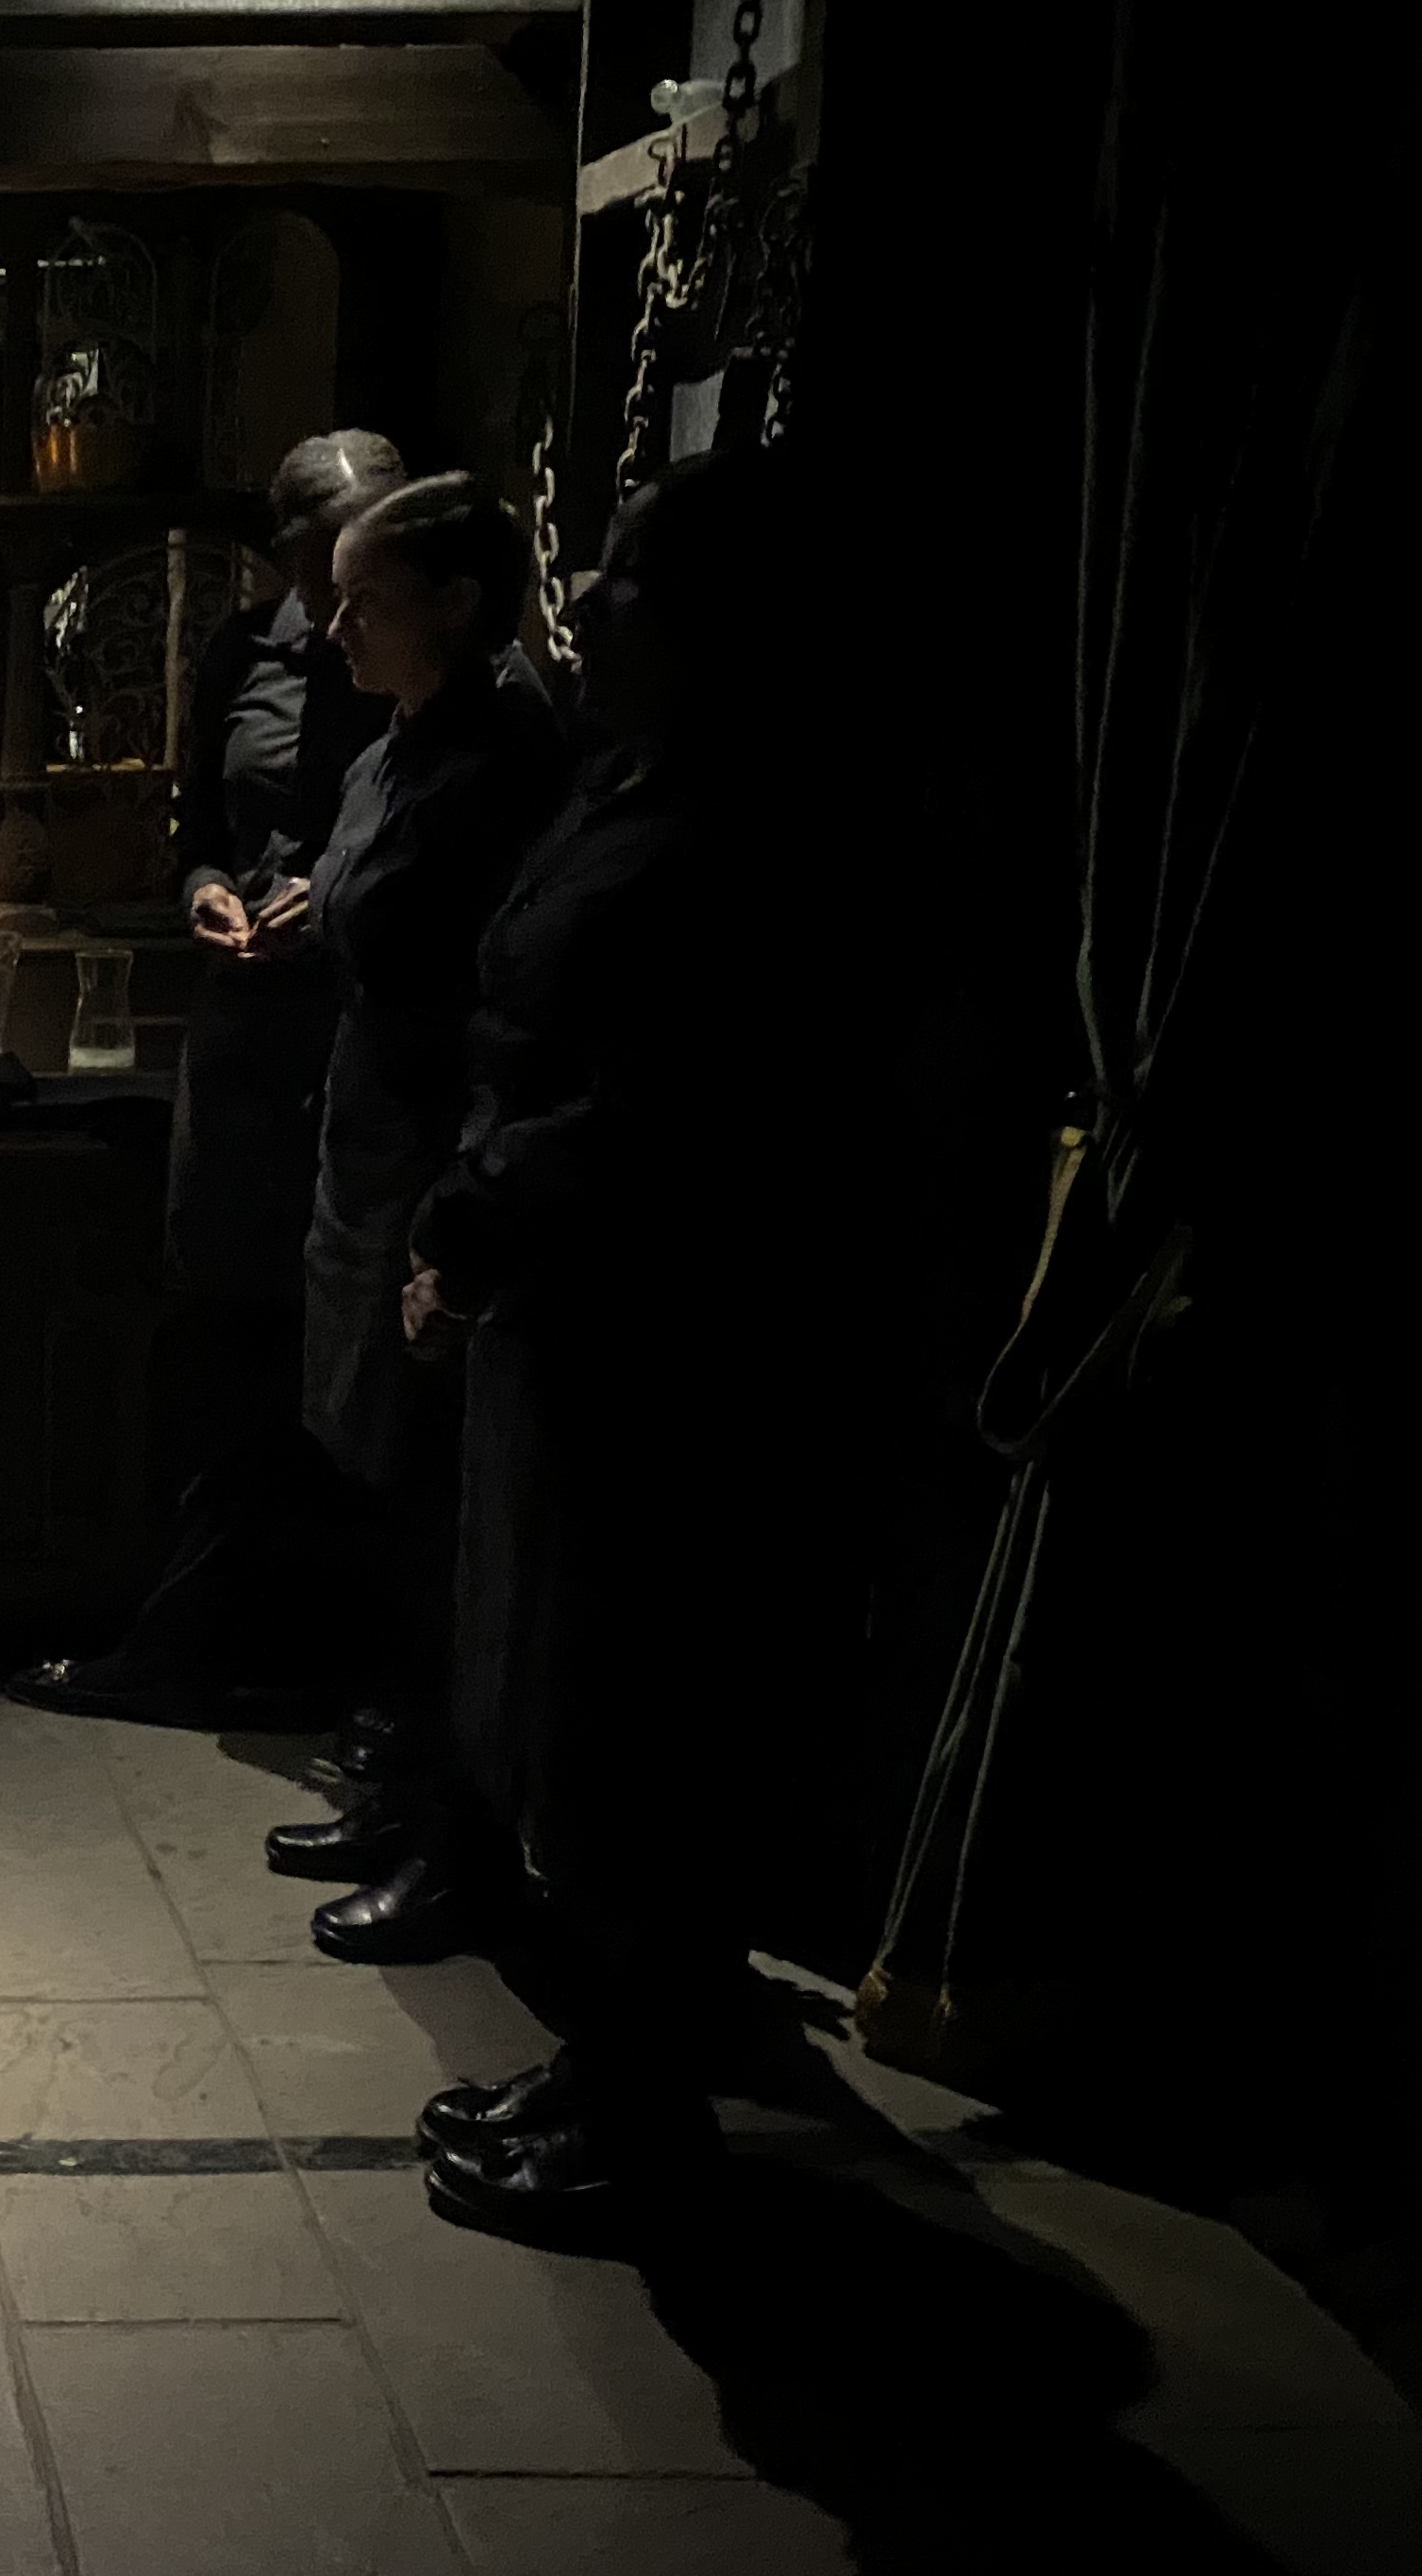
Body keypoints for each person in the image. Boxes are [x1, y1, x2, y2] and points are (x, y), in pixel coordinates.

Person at [403, 450, 861, 2241]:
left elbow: (662, 1105)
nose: (582, 603)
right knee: (565, 1713)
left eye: (622, 581)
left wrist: (469, 1207)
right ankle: (599, 2065)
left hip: (669, 1351)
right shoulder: (634, 778)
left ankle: (645, 2109)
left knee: (641, 1726)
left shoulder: (759, 832)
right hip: (565, 1323)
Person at [10, 429, 409, 1729]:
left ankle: (336, 1661)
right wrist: (210, 891)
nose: (338, 576)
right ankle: (195, 1637)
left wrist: (333, 910)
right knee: (228, 1348)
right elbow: (198, 831)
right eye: (317, 551)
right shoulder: (247, 651)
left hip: (368, 1046)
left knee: (350, 1366)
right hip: (248, 1036)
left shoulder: (438, 674)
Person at [262, 477, 565, 1965]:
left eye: (363, 597)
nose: (334, 622)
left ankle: (457, 1836)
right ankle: (394, 1783)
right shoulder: (398, 743)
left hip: (435, 1172)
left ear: (453, 602)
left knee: (437, 1513)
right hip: (364, 1154)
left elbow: (495, 1000)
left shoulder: (507, 763)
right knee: (371, 1483)